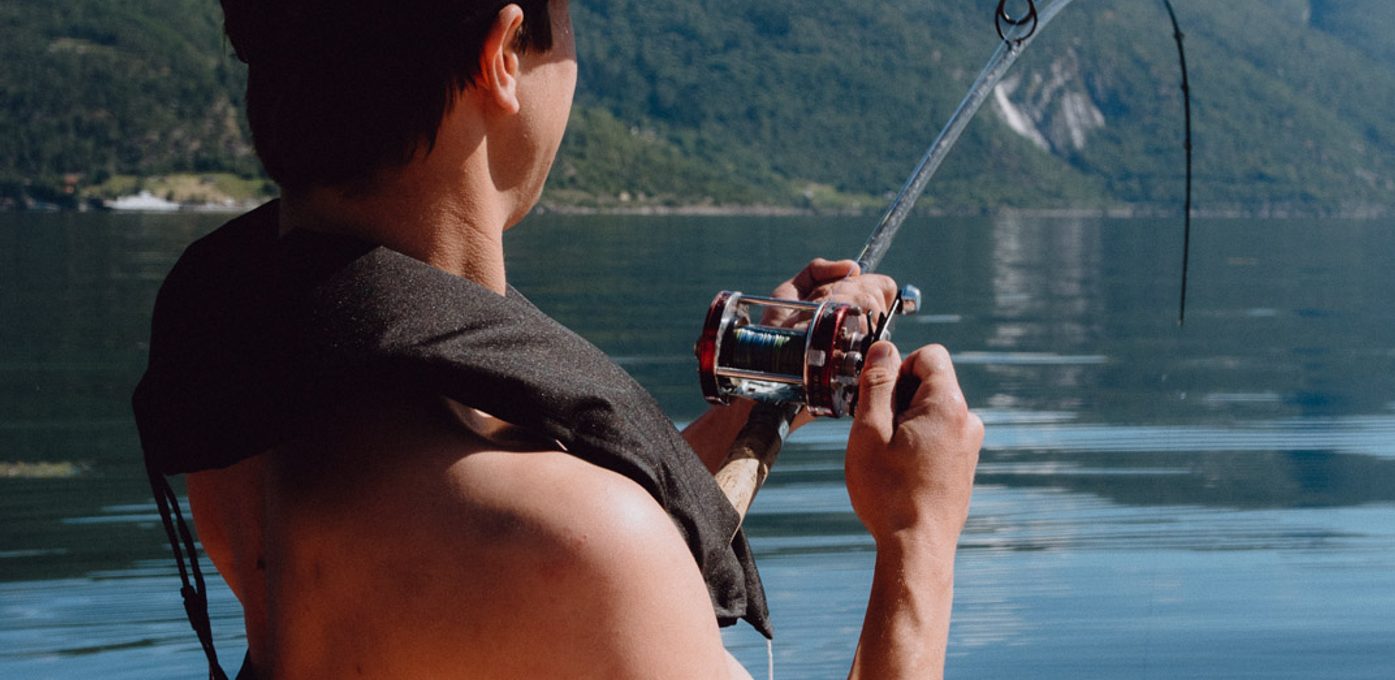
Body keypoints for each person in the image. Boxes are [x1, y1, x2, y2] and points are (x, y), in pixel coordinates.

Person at [132, 1, 984, 678]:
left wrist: (763, 396)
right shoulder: (577, 551)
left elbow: (540, 545)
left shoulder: (250, 386)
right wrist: (917, 534)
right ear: (502, 53)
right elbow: (578, 549)